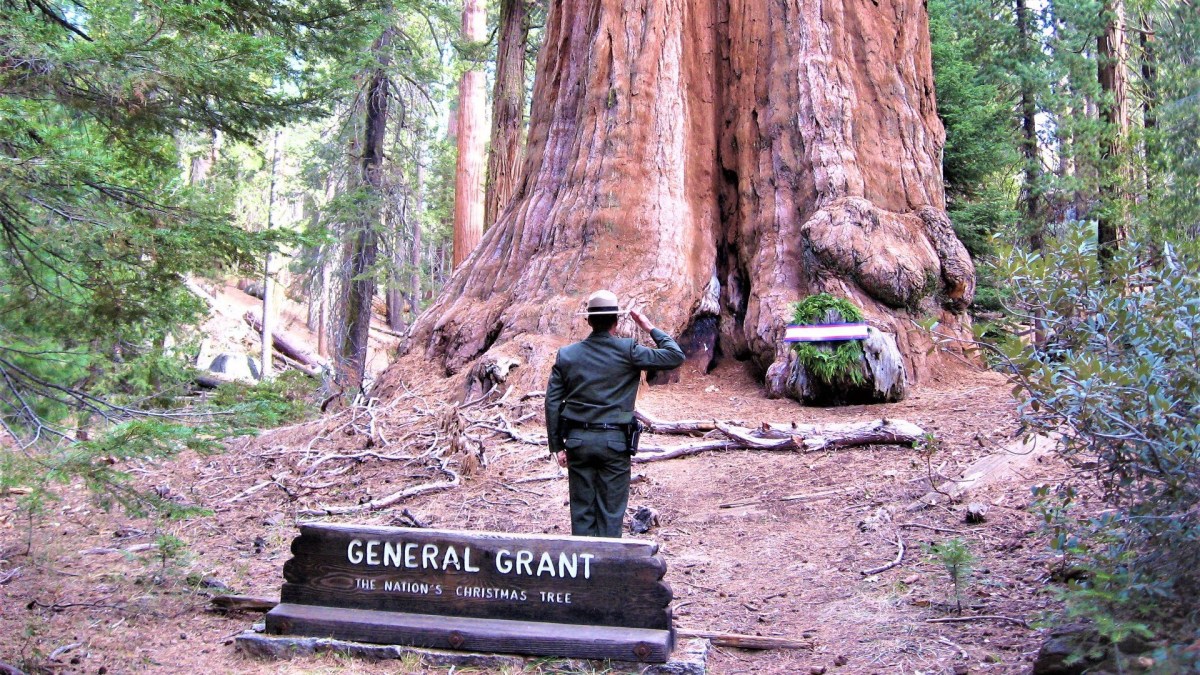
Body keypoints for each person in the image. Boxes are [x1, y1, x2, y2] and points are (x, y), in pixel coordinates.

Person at [545, 290, 685, 537]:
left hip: (578, 442)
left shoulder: (567, 355)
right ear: (616, 321)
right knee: (611, 512)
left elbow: (553, 402)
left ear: (588, 320)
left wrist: (557, 446)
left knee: (582, 512)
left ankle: (584, 569)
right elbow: (674, 356)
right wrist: (647, 325)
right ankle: (608, 568)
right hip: (615, 443)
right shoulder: (628, 351)